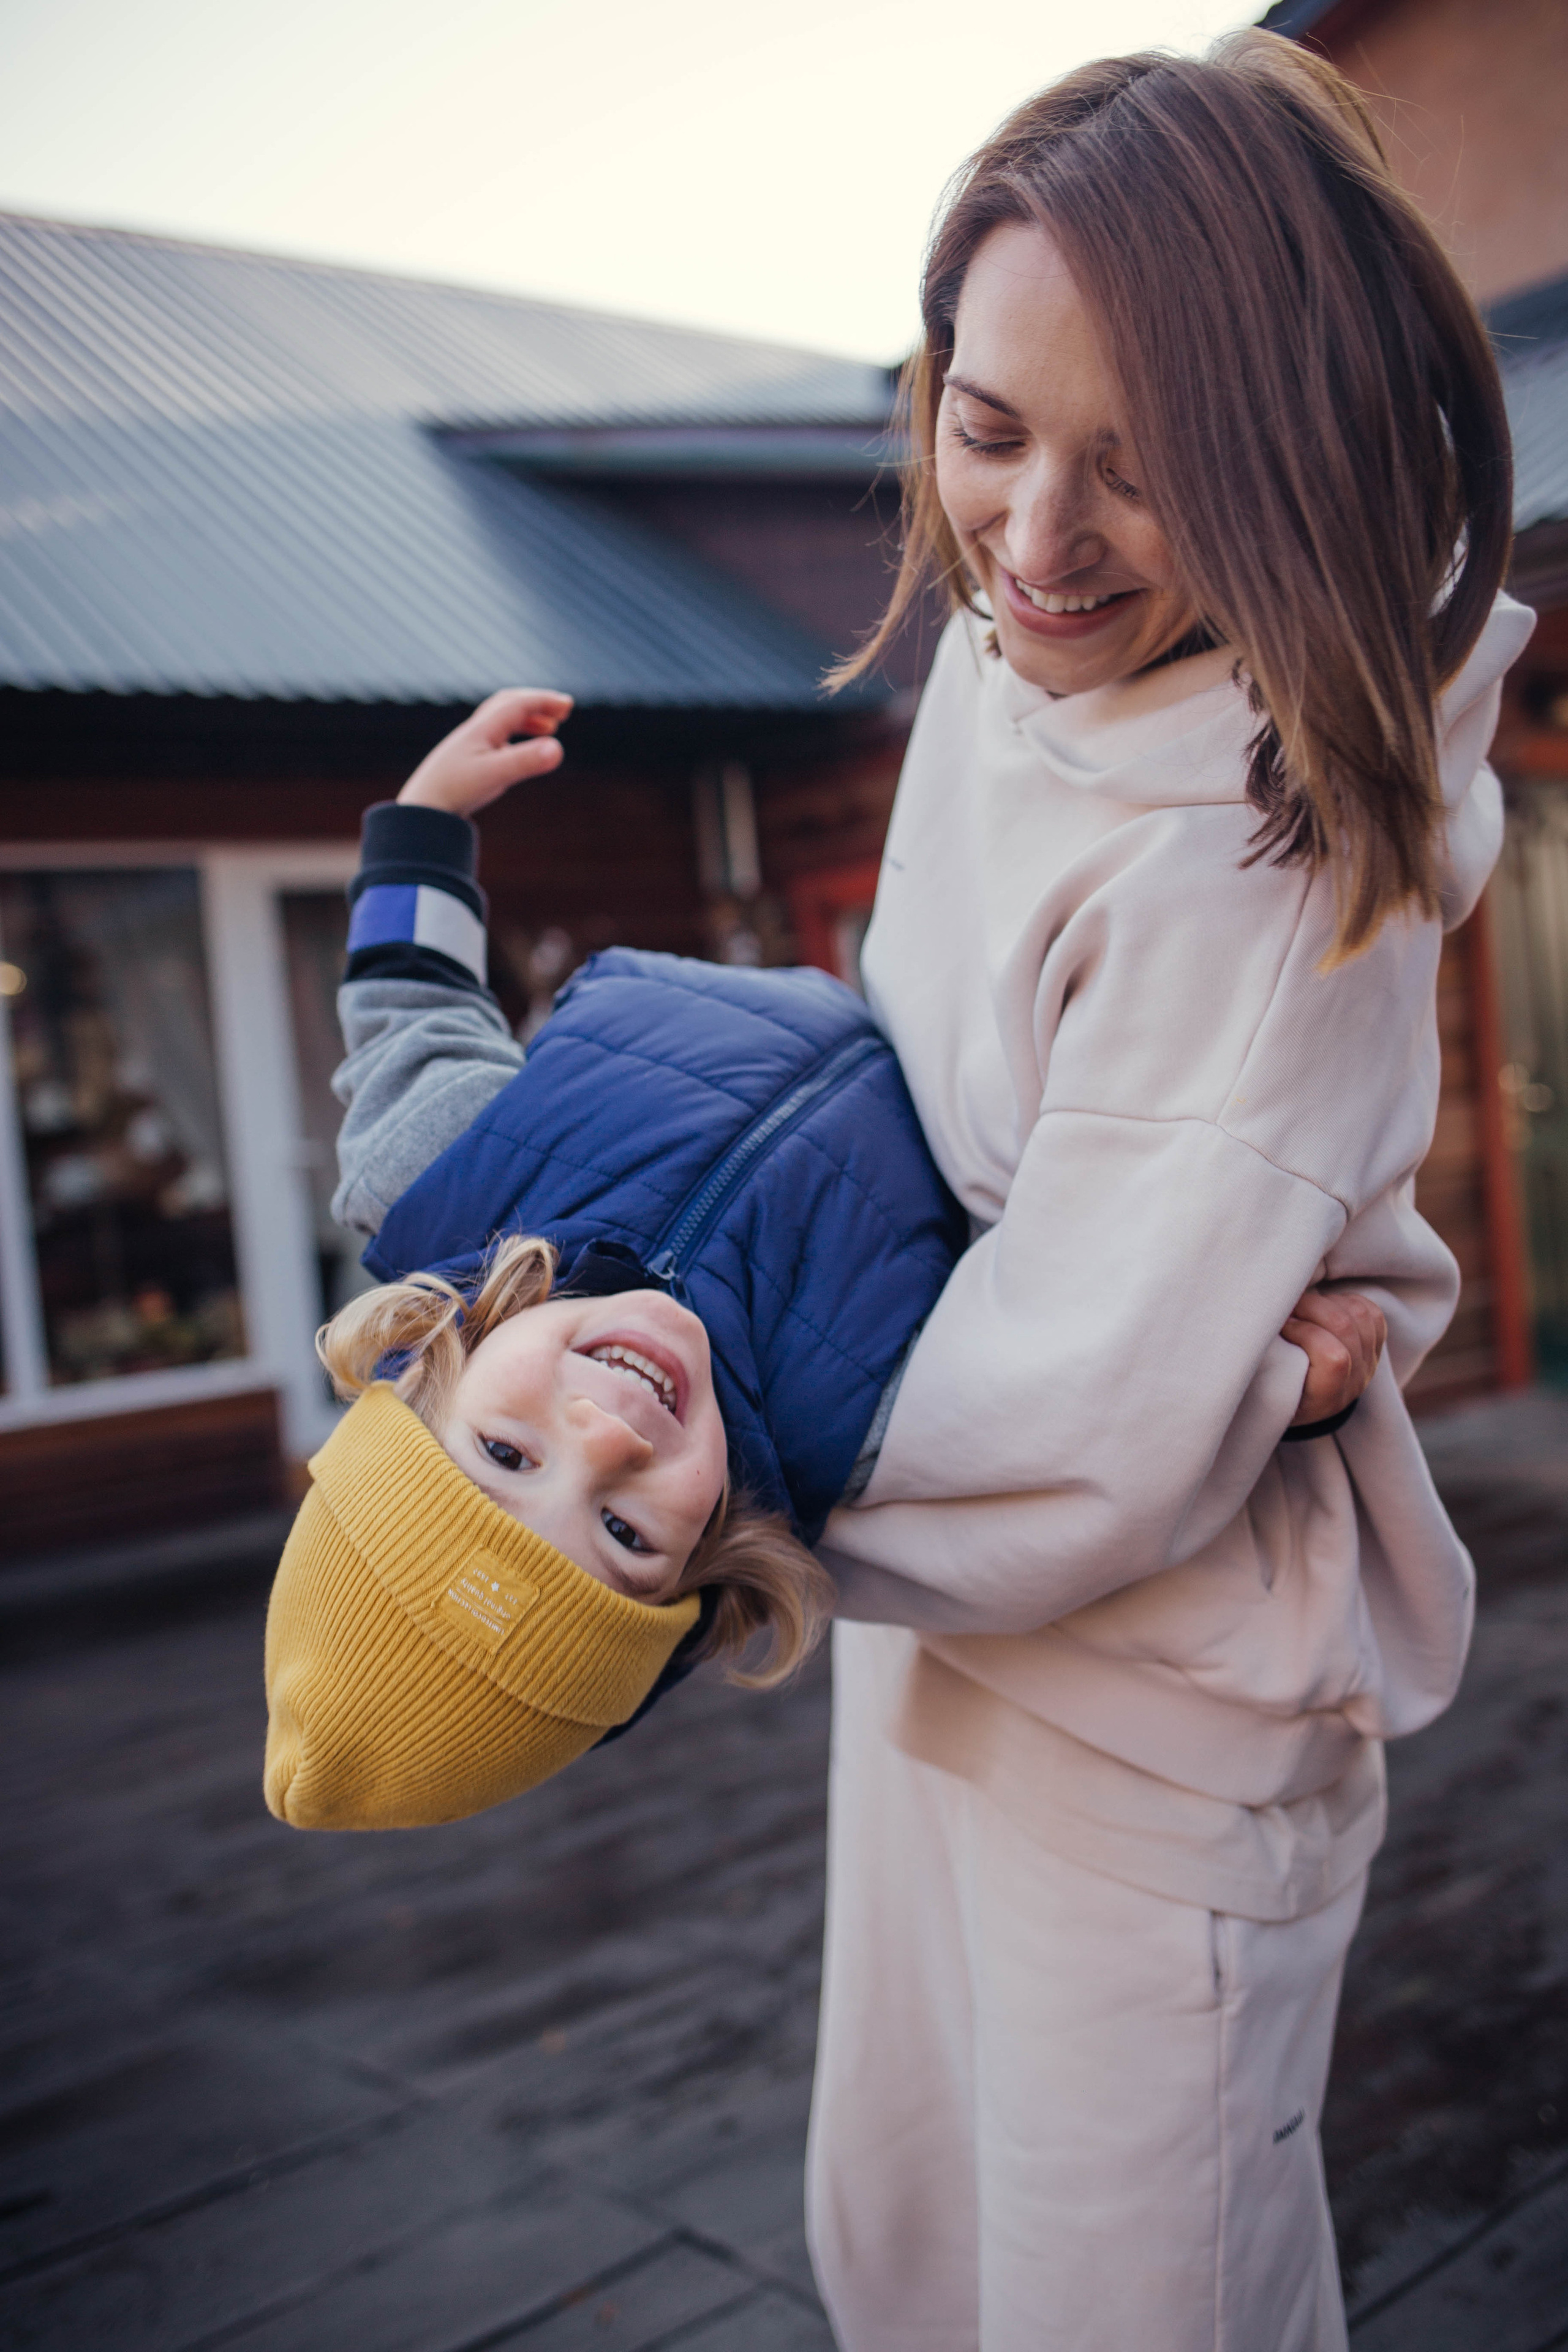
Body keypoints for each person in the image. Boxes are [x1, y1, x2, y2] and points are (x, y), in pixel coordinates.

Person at [795, 28, 1533, 2352]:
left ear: (1286, 453)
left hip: (1150, 1703)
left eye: (1141, 468)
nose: (1030, 541)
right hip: (933, 1655)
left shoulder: (1265, 849)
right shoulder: (1008, 686)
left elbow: (1079, 1431)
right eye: (990, 430)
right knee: (913, 2264)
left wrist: (665, 1477)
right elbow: (917, 1120)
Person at [263, 686, 1377, 1834]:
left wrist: (423, 820)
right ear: (704, 1575)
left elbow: (410, 1008)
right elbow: (1091, 1407)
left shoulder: (448, 1172)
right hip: (991, 1049)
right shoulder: (855, 1440)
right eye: (625, 1532)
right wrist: (1276, 1389)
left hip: (867, 962)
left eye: (507, 1451)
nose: (605, 1439)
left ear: (425, 1385)